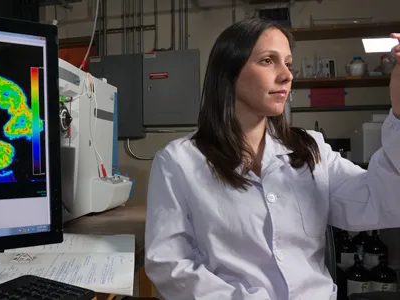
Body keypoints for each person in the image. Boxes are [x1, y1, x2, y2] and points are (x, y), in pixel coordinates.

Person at [144, 18, 400, 300]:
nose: (287, 75)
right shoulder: (179, 161)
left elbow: (382, 202)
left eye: (288, 64)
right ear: (228, 71)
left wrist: (399, 113)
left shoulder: (310, 149)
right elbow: (169, 263)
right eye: (268, 61)